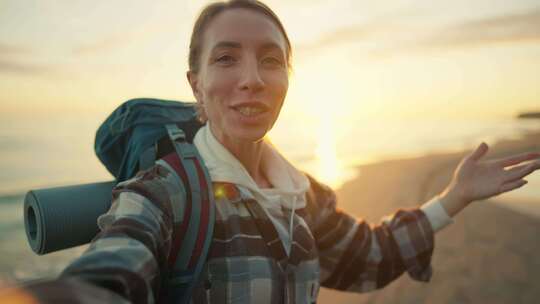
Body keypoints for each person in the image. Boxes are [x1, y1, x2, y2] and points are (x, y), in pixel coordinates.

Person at [4, 0, 540, 303]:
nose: (252, 80)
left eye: (270, 60)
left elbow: (368, 257)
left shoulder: (299, 193)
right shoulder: (164, 195)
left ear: (288, 77)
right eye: (227, 59)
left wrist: (454, 196)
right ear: (196, 84)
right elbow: (114, 269)